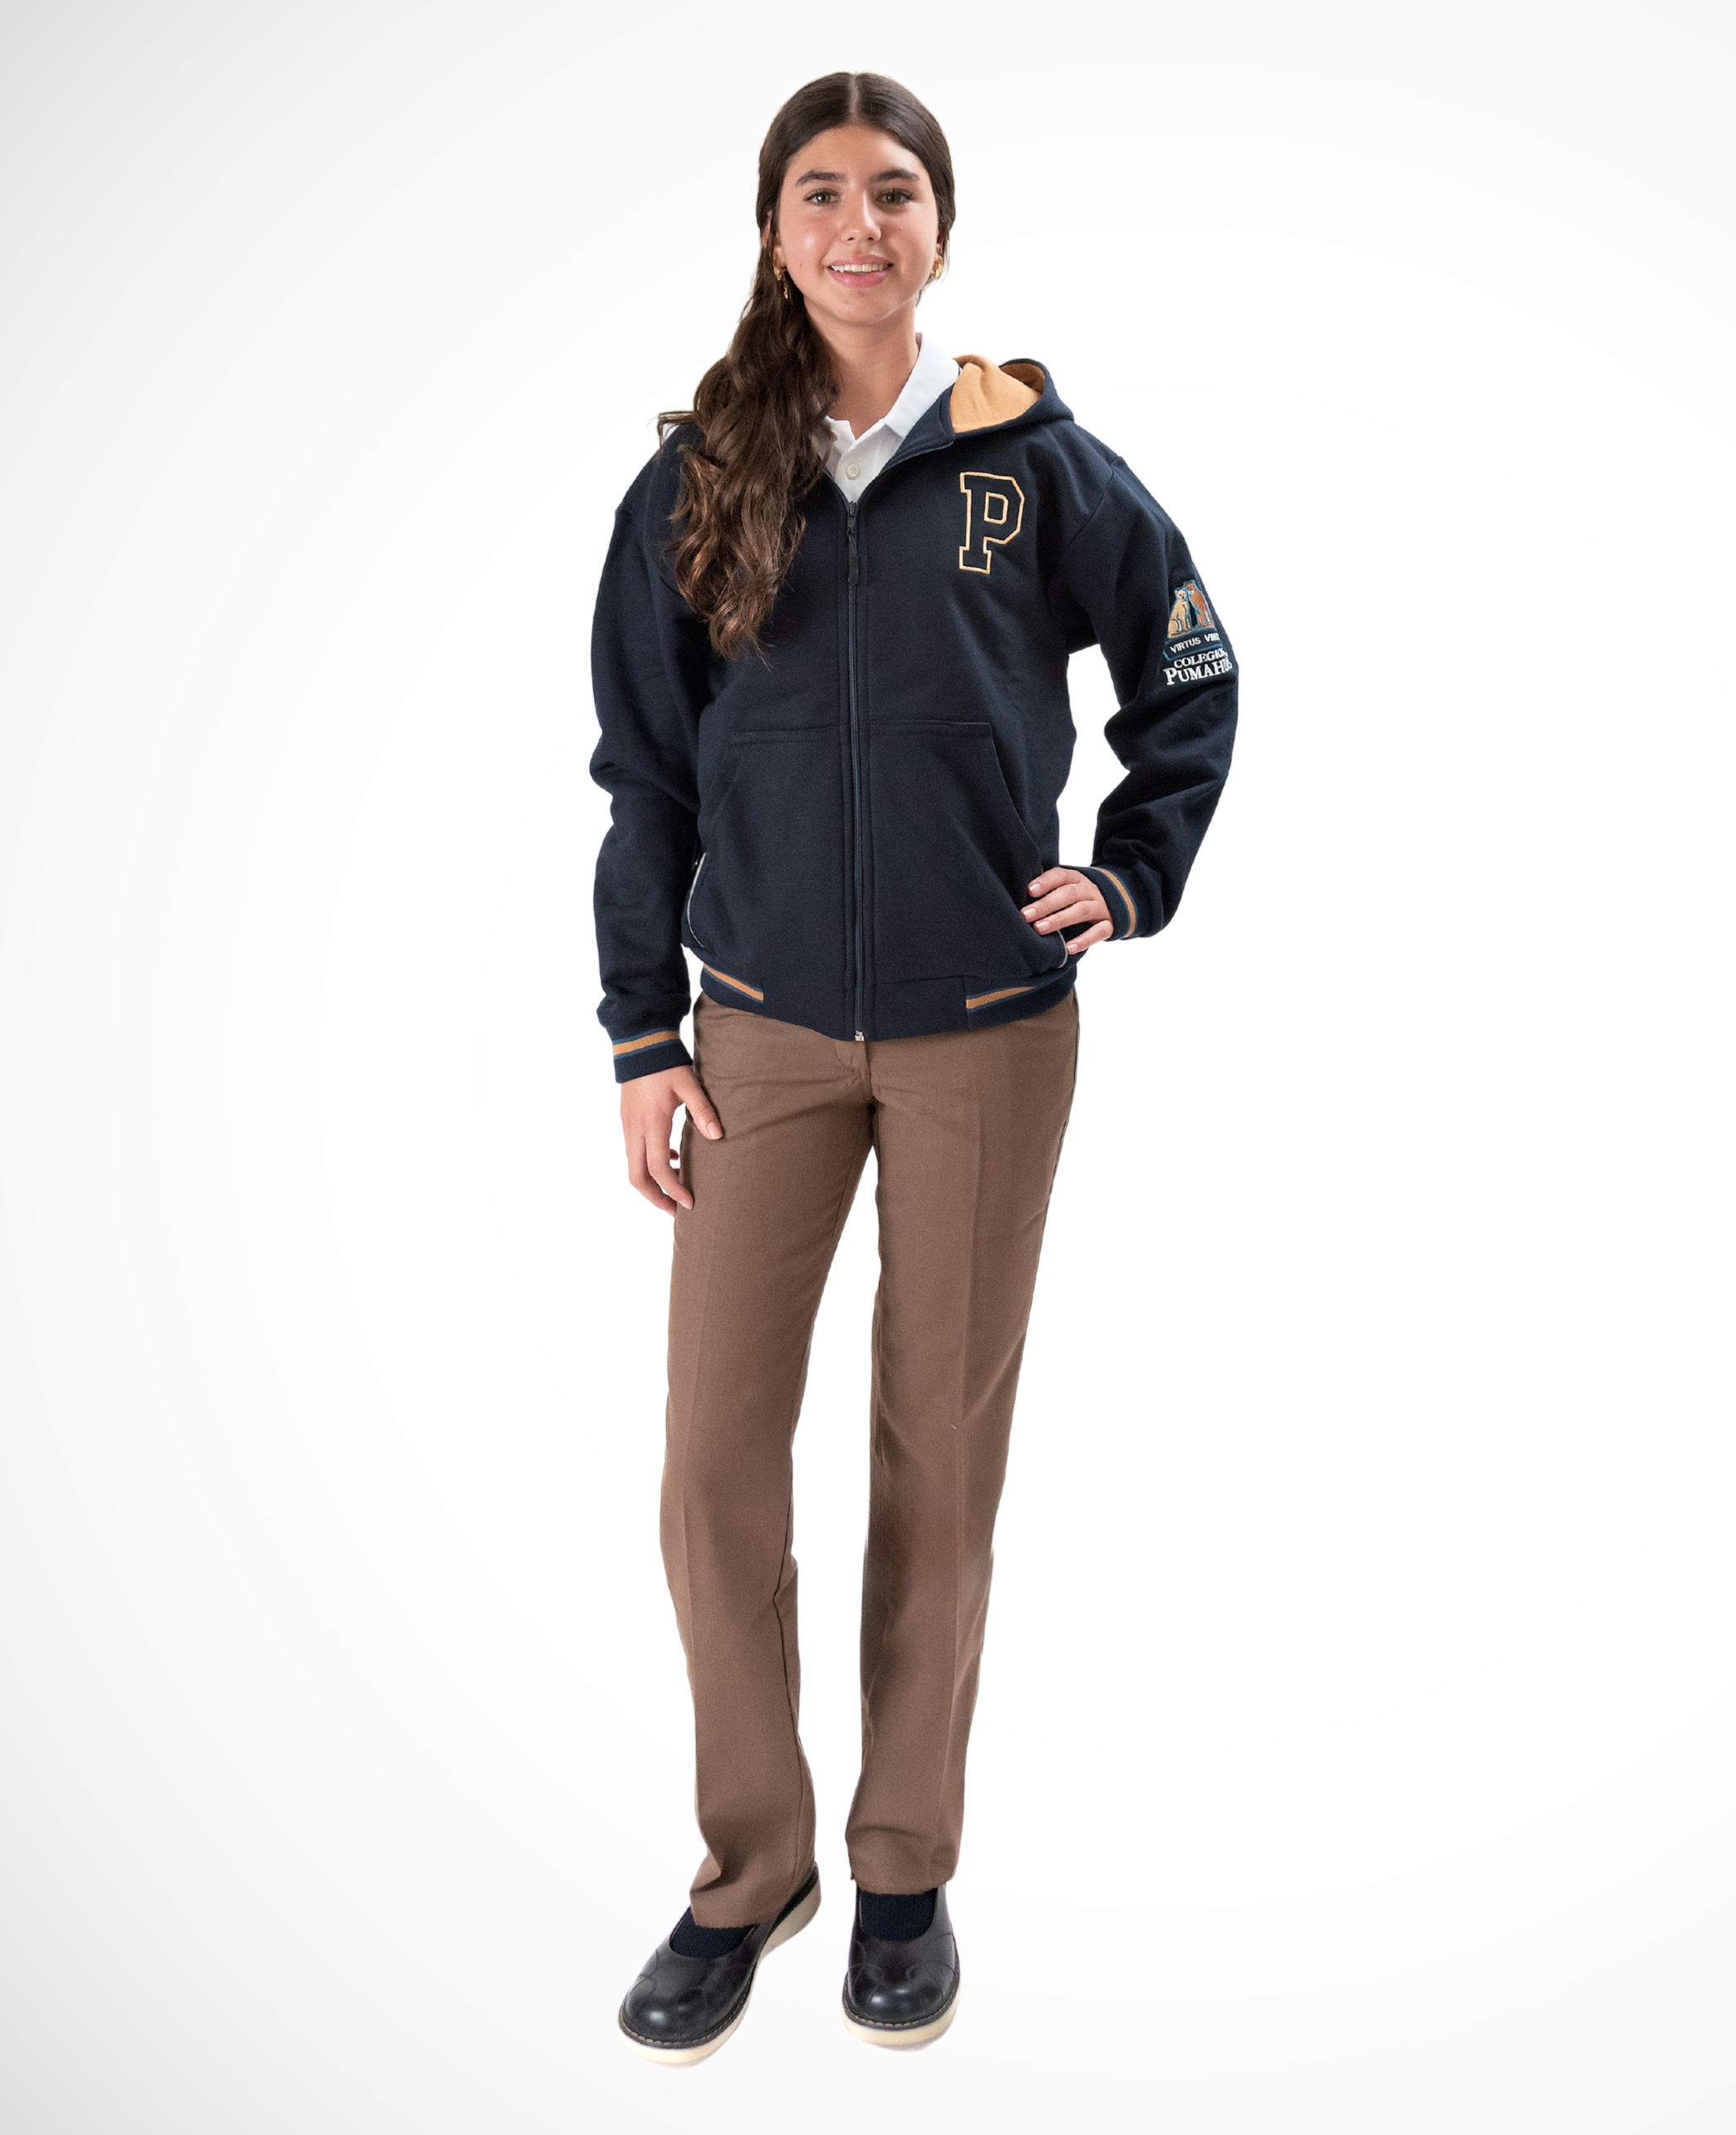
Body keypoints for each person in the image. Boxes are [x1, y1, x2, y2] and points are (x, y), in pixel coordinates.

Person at [591, 70, 1238, 2062]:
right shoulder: (699, 477)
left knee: (936, 1462)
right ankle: (749, 1867)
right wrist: (642, 1031)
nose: (856, 224)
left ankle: (899, 1866)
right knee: (712, 1468)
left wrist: (1126, 873)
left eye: (892, 191)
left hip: (985, 1035)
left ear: (941, 229)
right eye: (819, 192)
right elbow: (644, 776)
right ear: (772, 230)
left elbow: (1190, 669)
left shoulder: (1037, 466)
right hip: (758, 1036)